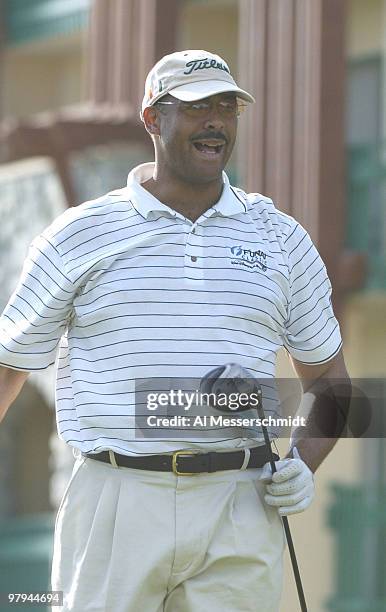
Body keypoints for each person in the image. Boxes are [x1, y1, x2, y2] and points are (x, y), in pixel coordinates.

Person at [0, 50, 350, 612]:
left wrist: (302, 465)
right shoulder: (79, 234)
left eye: (226, 107)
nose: (215, 120)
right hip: (116, 498)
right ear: (153, 119)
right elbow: (10, 368)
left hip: (241, 500)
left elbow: (332, 384)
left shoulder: (280, 237)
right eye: (195, 107)